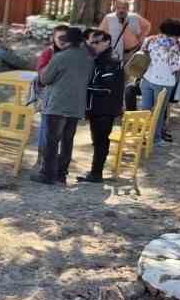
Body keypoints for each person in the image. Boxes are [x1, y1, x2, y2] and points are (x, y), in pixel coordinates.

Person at [35, 26, 95, 184]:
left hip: (58, 104)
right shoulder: (88, 59)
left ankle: (48, 175)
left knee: (52, 141)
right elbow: (88, 79)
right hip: (76, 106)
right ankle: (62, 174)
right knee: (68, 142)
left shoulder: (60, 57)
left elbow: (45, 79)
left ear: (67, 41)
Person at [79, 28, 125, 182]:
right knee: (97, 139)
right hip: (97, 108)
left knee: (101, 140)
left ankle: (96, 173)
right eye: (91, 42)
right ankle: (95, 171)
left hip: (105, 108)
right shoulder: (99, 58)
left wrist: (83, 86)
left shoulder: (111, 60)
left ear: (107, 42)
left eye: (97, 42)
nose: (93, 45)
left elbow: (105, 87)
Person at [137, 18, 180, 141]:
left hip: (147, 78)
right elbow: (174, 65)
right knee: (159, 113)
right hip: (164, 81)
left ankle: (142, 135)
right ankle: (155, 138)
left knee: (145, 109)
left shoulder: (150, 39)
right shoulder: (175, 44)